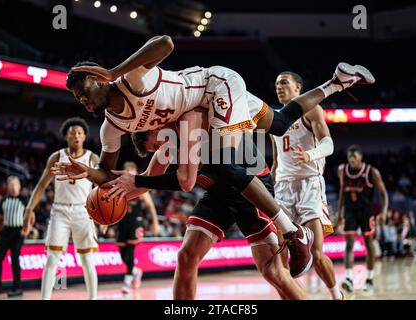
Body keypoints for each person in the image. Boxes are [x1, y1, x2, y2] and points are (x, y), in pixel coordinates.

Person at [54, 35, 375, 277]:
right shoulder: (110, 130)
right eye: (77, 97)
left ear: (98, 78)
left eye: (83, 91)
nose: (82, 99)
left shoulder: (131, 80)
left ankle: (294, 232)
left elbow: (164, 43)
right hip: (206, 105)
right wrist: (87, 171)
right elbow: (107, 173)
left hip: (214, 87)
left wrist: (113, 71)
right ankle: (337, 81)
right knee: (278, 124)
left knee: (219, 162)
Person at [129, 109, 308, 299]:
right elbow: (146, 181)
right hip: (218, 191)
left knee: (272, 271)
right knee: (186, 256)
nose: (160, 150)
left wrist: (136, 181)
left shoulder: (190, 126)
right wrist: (116, 190)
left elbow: (183, 182)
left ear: (157, 127)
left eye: (157, 144)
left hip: (249, 187)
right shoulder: (168, 143)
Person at [270, 71, 342, 300]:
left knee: (318, 254)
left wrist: (310, 155)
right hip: (282, 188)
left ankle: (336, 296)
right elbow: (275, 162)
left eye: (284, 83)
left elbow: (329, 144)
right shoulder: (274, 118)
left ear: (298, 88)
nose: (279, 87)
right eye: (276, 84)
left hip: (309, 186)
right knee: (280, 256)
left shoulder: (311, 109)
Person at [22, 117, 100, 300]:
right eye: (72, 132)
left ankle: (93, 298)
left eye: (80, 133)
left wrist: (101, 216)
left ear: (85, 137)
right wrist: (29, 209)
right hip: (60, 211)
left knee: (87, 260)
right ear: (66, 136)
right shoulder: (57, 157)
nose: (76, 136)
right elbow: (41, 185)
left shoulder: (92, 158)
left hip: (84, 211)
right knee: (52, 258)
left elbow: (101, 186)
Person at [336, 145, 388, 292]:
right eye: (349, 158)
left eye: (354, 158)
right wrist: (340, 215)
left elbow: (384, 193)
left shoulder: (371, 172)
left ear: (360, 158)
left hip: (366, 211)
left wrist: (383, 212)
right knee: (349, 243)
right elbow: (341, 193)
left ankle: (370, 278)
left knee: (368, 243)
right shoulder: (343, 171)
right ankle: (348, 278)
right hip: (350, 211)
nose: (351, 160)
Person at [114, 161, 160, 293]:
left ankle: (127, 282)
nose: (128, 171)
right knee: (122, 254)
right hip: (122, 222)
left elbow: (151, 207)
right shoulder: (119, 187)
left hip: (135, 222)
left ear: (135, 172)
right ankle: (136, 271)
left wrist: (155, 223)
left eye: (130, 169)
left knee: (130, 251)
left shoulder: (140, 186)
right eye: (125, 169)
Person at [0, 176, 27, 297]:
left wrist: (27, 229)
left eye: (16, 185)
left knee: (15, 260)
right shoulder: (4, 200)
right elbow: (0, 217)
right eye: (11, 185)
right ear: (8, 187)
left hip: (18, 232)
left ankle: (17, 288)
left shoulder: (25, 199)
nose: (14, 187)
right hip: (6, 231)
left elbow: (31, 215)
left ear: (19, 186)